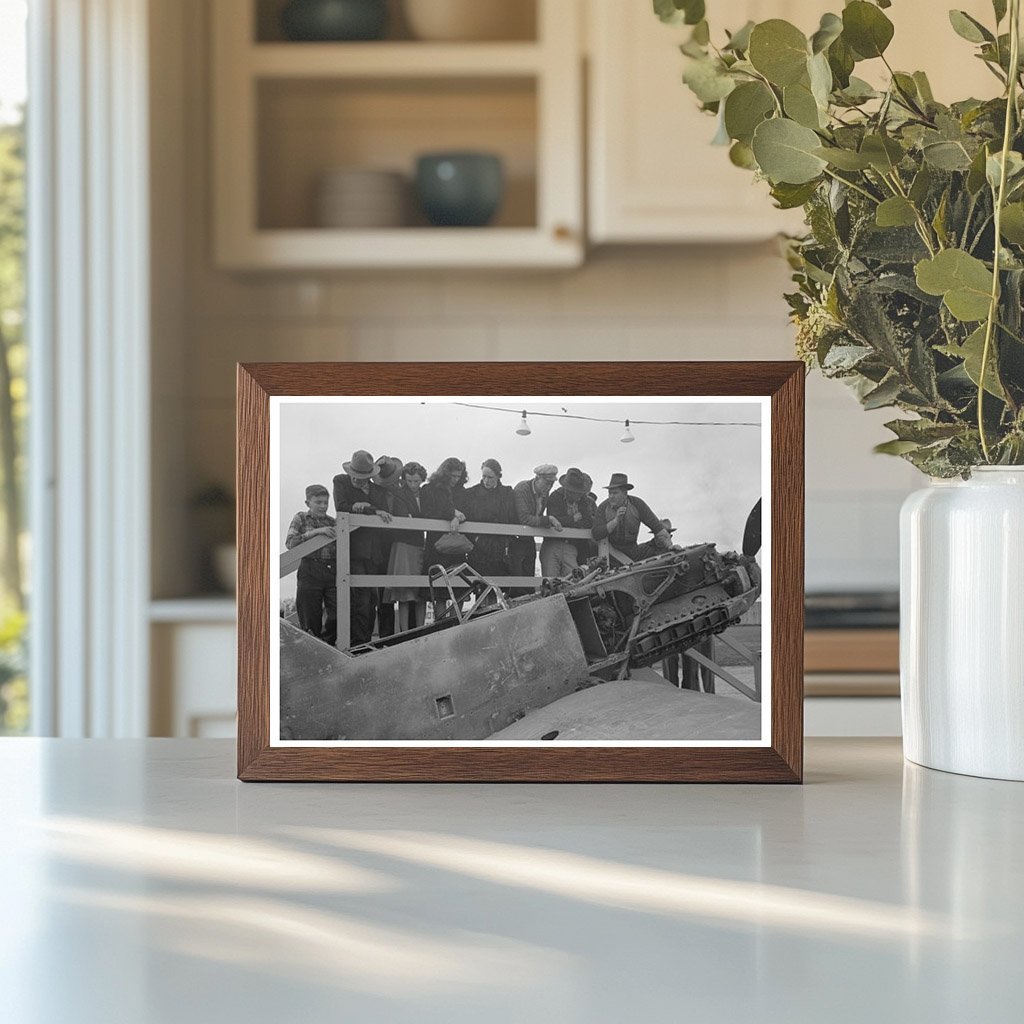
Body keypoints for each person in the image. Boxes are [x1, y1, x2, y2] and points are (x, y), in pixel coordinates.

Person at [332, 449, 392, 647]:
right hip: (354, 550)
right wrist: (368, 508)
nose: (357, 480)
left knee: (372, 598)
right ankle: (359, 644)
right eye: (355, 476)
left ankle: (365, 643)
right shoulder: (340, 481)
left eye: (362, 477)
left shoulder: (378, 491)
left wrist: (366, 507)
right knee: (360, 600)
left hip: (374, 551)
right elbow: (342, 506)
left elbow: (384, 510)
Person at [285, 484, 337, 646]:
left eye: (325, 503)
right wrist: (315, 532)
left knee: (337, 613)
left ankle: (328, 646)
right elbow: (290, 543)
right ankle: (313, 648)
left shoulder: (333, 522)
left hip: (331, 570)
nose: (323, 506)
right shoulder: (300, 518)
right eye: (318, 502)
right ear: (308, 503)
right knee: (310, 615)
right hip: (309, 569)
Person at [419, 457, 468, 619]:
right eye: (453, 476)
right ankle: (441, 625)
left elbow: (467, 512)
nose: (455, 480)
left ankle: (456, 623)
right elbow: (427, 512)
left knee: (459, 587)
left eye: (458, 476)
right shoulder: (428, 489)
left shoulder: (461, 491)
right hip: (436, 545)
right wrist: (452, 514)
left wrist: (456, 516)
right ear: (445, 474)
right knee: (438, 589)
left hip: (456, 547)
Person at [382, 461, 428, 632]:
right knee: (403, 592)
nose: (413, 485)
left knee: (421, 592)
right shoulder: (399, 493)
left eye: (416, 481)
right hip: (403, 544)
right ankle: (405, 631)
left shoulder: (426, 493)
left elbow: (420, 515)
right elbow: (403, 516)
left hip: (421, 543)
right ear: (404, 479)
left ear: (422, 479)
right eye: (409, 481)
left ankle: (421, 630)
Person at [592, 473, 672, 562]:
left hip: (633, 552)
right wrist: (615, 521)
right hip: (610, 555)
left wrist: (670, 546)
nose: (611, 496)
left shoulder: (637, 504)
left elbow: (657, 528)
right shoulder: (603, 508)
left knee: (659, 546)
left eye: (615, 493)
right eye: (609, 493)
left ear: (625, 493)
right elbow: (596, 533)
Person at [462, 458, 518, 579]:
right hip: (478, 548)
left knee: (500, 584)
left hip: (501, 547)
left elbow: (513, 517)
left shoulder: (507, 493)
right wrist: (476, 539)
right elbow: (466, 519)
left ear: (498, 476)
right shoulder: (471, 493)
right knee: (481, 585)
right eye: (484, 476)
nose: (486, 480)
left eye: (490, 477)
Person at [510, 463, 560, 594]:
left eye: (551, 484)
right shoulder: (522, 489)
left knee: (529, 577)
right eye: (547, 483)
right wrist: (548, 520)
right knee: (517, 582)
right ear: (537, 478)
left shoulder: (544, 494)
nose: (549, 487)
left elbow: (535, 517)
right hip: (514, 540)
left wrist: (545, 521)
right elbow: (525, 518)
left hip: (527, 539)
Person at [371, 455, 405, 639]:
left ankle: (389, 635)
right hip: (378, 546)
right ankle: (384, 635)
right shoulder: (374, 492)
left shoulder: (401, 491)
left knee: (390, 593)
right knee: (379, 593)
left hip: (396, 544)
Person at [541, 467, 597, 578]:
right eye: (578, 493)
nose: (580, 495)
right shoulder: (555, 497)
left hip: (574, 546)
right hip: (553, 543)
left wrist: (566, 521)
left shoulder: (584, 500)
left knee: (573, 581)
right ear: (569, 490)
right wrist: (574, 519)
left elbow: (588, 522)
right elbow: (554, 520)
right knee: (551, 580)